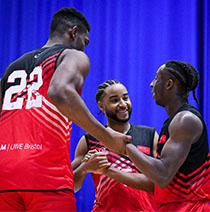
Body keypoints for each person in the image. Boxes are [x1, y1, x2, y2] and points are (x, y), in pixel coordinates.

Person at [0, 8, 131, 211]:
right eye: (84, 42)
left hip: (4, 175)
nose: (84, 49)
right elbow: (60, 91)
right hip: (45, 174)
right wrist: (106, 136)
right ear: (74, 32)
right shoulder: (72, 56)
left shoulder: (11, 68)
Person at [123, 60, 210, 211]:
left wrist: (125, 147)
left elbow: (162, 176)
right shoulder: (171, 122)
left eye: (156, 78)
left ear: (169, 84)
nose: (152, 84)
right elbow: (156, 183)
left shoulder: (185, 120)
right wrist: (109, 171)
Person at [72, 80, 159, 211]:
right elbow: (70, 186)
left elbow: (159, 183)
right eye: (115, 100)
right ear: (101, 106)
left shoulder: (150, 135)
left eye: (125, 98)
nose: (123, 104)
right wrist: (85, 167)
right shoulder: (89, 140)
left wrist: (109, 171)